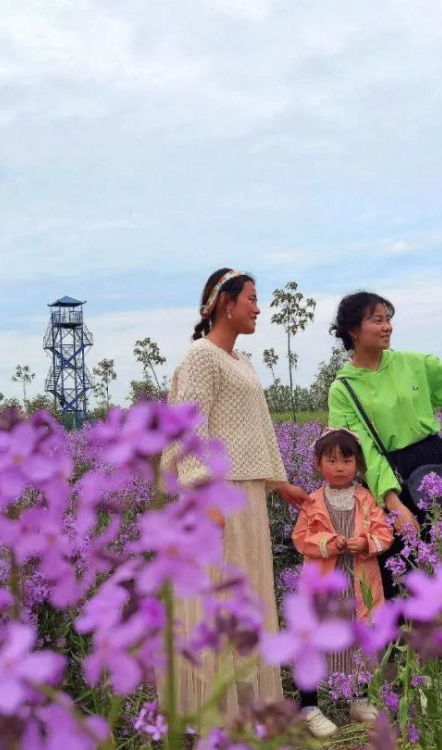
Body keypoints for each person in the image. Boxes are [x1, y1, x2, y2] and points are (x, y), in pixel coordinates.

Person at [164, 267, 311, 720]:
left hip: (247, 498)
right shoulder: (201, 356)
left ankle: (246, 710)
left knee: (247, 598)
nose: (258, 307)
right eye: (251, 298)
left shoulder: (240, 362)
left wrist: (278, 482)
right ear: (226, 303)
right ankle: (213, 714)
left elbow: (256, 432)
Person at [327, 291, 442, 599]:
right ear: (353, 330)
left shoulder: (413, 364)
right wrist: (395, 505)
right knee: (406, 570)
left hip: (437, 465)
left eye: (388, 319)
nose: (387, 326)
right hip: (391, 480)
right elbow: (363, 454)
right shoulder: (343, 389)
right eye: (377, 320)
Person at [291, 428, 393, 738]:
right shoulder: (312, 501)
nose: (339, 467)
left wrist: (365, 542)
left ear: (358, 464)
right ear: (317, 464)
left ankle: (358, 700)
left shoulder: (366, 498)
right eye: (331, 460)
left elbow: (385, 533)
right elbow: (300, 538)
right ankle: (308, 705)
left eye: (347, 460)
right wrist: (326, 543)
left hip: (359, 582)